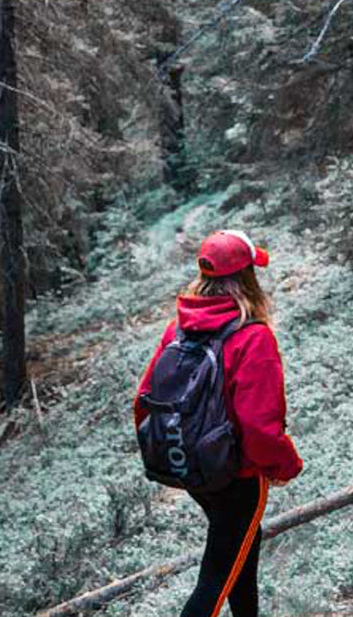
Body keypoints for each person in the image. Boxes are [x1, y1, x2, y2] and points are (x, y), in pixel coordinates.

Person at [134, 230, 303, 617]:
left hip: (192, 469)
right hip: (237, 476)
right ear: (247, 279)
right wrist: (285, 466)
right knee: (215, 577)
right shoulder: (253, 338)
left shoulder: (178, 330)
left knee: (239, 549)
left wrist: (178, 450)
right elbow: (259, 427)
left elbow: (144, 402)